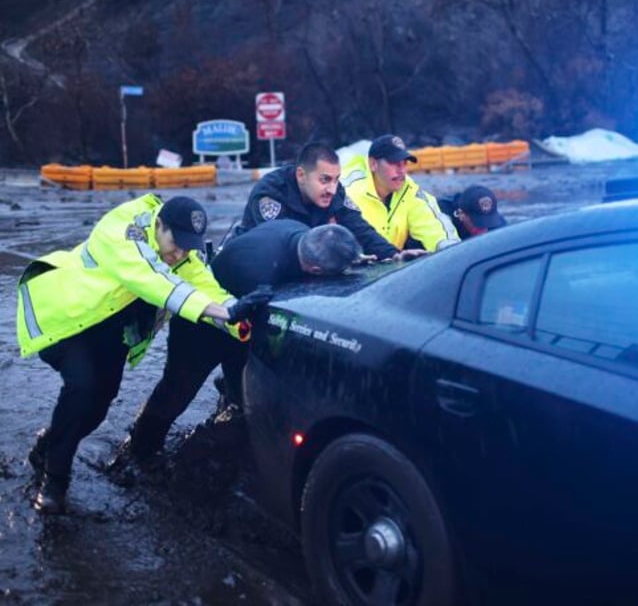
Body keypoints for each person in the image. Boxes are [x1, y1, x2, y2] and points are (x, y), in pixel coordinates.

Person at [16, 194, 262, 515]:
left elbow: (209, 289)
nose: (180, 254)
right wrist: (213, 309)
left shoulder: (183, 255)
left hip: (109, 330)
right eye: (176, 243)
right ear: (158, 224)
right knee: (82, 386)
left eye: (189, 248)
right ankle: (54, 483)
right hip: (67, 318)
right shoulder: (121, 229)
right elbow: (154, 281)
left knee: (99, 404)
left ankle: (48, 446)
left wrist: (241, 318)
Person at [118, 220, 363, 467]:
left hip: (243, 317)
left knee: (243, 390)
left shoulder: (298, 230)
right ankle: (139, 452)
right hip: (203, 324)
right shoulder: (258, 271)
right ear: (315, 269)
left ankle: (229, 427)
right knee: (177, 391)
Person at [235, 141, 415, 262]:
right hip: (253, 261)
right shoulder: (271, 193)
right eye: (325, 180)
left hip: (304, 261)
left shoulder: (334, 191)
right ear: (301, 175)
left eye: (336, 179)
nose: (332, 189)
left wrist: (394, 255)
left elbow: (359, 227)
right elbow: (280, 247)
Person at [341, 134, 460, 251]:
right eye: (394, 163)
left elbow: (433, 224)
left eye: (404, 163)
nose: (402, 170)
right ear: (373, 164)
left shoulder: (409, 190)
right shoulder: (347, 190)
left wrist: (449, 250)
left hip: (393, 264)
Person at [438, 184, 507, 239]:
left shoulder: (498, 223)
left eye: (489, 221)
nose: (483, 229)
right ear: (461, 214)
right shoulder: (442, 219)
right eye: (478, 222)